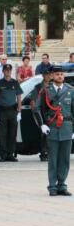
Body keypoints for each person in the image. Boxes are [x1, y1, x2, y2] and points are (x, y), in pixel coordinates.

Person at [35, 66, 74, 196]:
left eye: (61, 74)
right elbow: (37, 108)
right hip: (52, 127)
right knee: (53, 159)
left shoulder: (70, 90)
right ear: (52, 76)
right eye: (57, 74)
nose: (60, 76)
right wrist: (42, 125)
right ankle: (52, 186)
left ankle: (62, 185)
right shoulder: (46, 90)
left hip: (67, 127)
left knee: (65, 159)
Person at [0, 64, 23, 162]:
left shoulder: (15, 83)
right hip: (2, 111)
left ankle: (10, 154)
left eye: (9, 70)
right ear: (3, 71)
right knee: (2, 134)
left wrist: (19, 110)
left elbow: (19, 96)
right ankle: (3, 155)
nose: (8, 72)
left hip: (13, 110)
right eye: (6, 70)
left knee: (12, 133)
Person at [31, 68, 53, 162]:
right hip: (41, 113)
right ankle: (43, 153)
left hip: (52, 114)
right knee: (44, 134)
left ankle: (51, 152)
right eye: (46, 74)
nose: (48, 76)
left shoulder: (53, 86)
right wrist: (36, 114)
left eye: (49, 74)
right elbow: (33, 101)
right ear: (43, 76)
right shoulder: (38, 87)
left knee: (52, 134)